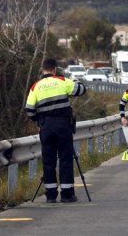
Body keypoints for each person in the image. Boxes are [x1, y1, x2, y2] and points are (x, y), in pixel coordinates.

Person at [25, 58, 86, 203]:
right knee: (65, 158)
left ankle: (51, 194)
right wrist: (75, 81)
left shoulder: (36, 86)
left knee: (48, 160)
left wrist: (38, 121)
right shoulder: (62, 80)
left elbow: (29, 110)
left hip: (46, 126)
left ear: (43, 70)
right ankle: (67, 194)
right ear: (55, 69)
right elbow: (82, 90)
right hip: (63, 125)